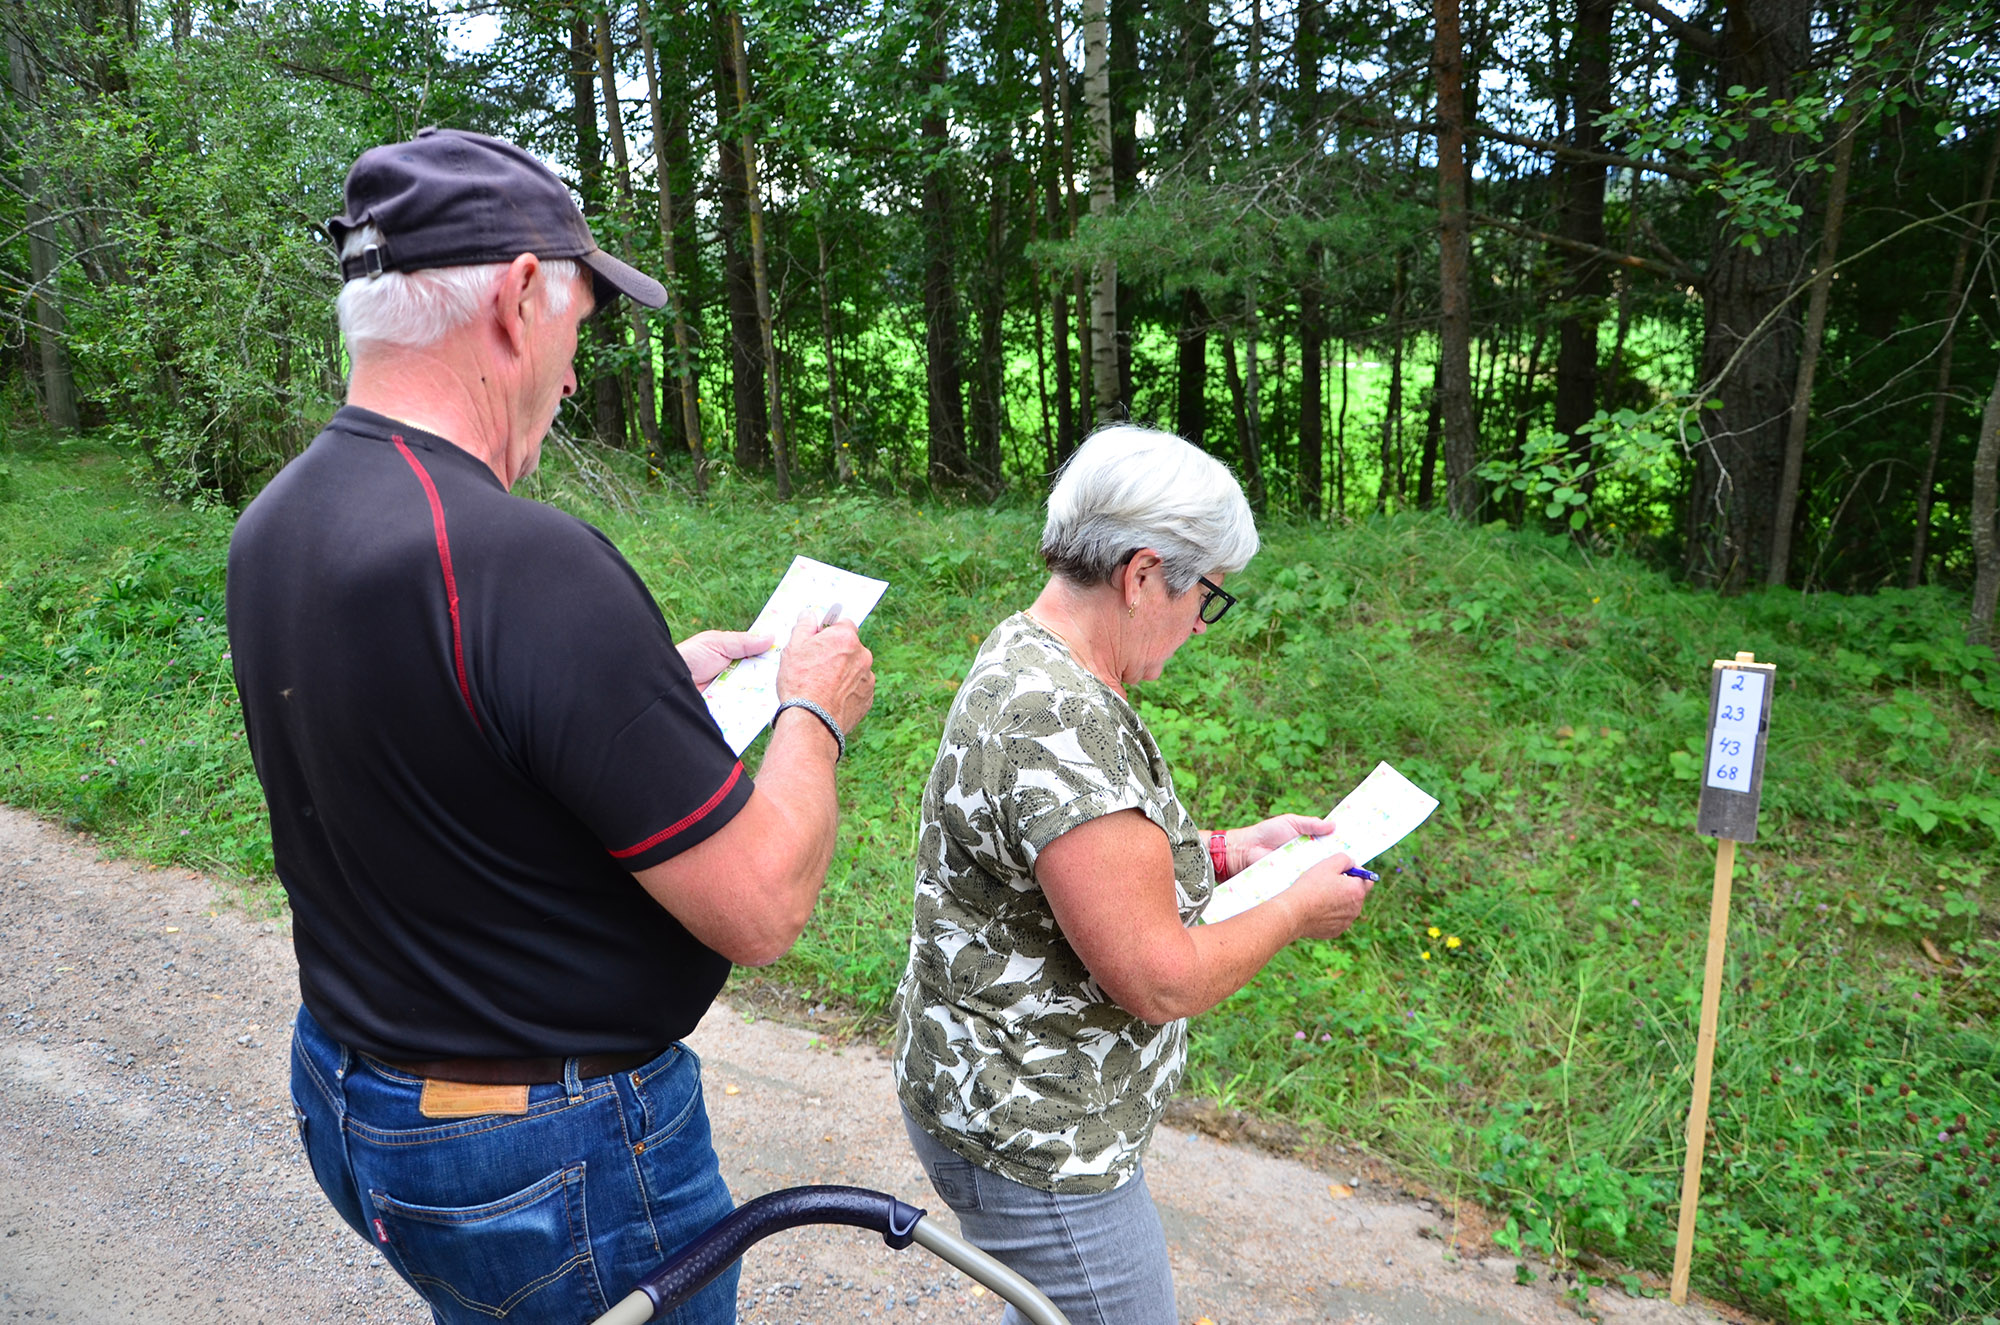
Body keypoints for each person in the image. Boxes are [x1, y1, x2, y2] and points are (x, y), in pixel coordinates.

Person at [226, 128, 874, 1325]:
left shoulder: (278, 521)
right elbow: (764, 902)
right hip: (543, 1159)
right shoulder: (522, 562)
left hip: (358, 1096)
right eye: (578, 324)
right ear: (520, 298)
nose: (574, 376)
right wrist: (809, 711)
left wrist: (639, 686)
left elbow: (421, 750)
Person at [893, 424, 1375, 1325]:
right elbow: (1160, 977)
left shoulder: (1034, 652)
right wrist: (1297, 907)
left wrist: (1232, 853)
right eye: (1207, 598)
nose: (1201, 623)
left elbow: (1080, 862)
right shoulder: (1057, 726)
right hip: (1038, 1136)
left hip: (992, 1087)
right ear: (1144, 574)